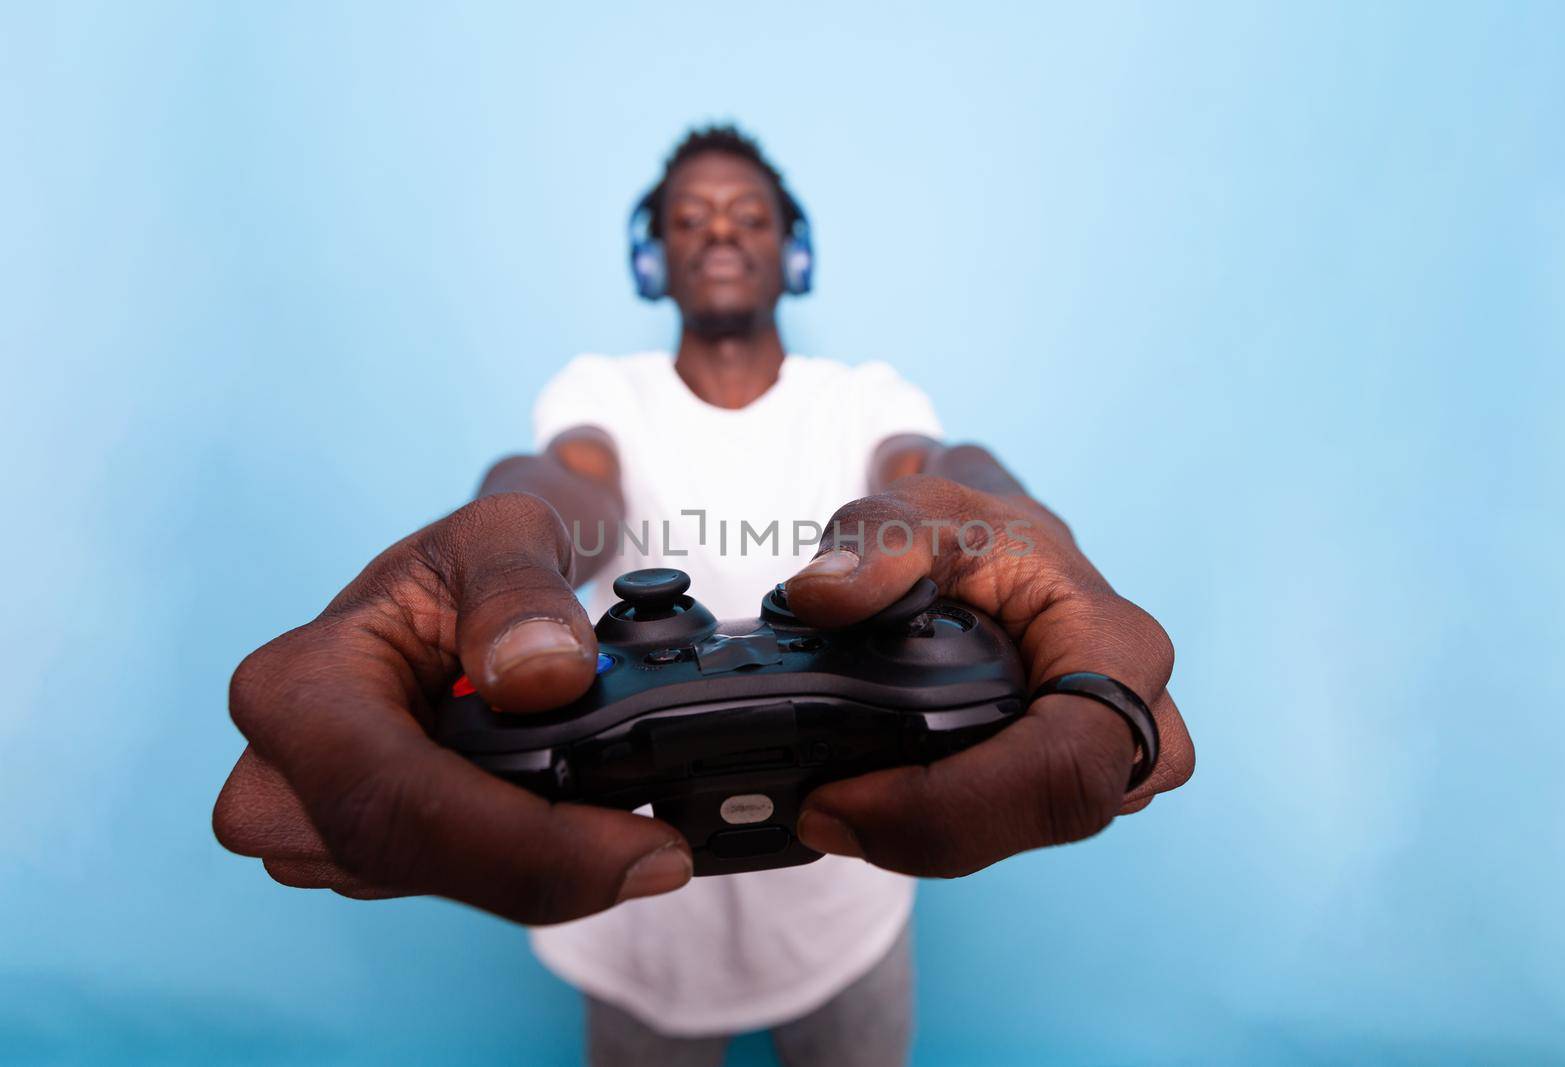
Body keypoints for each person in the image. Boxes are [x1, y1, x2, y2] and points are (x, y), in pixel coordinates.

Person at [213, 125, 1195, 1067]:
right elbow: (571, 483)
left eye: (748, 216)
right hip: (639, 930)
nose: (719, 231)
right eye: (689, 219)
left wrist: (1005, 512)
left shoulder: (860, 398)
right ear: (655, 260)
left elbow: (932, 466)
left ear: (789, 252)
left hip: (843, 918)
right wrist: (511, 534)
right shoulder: (606, 392)